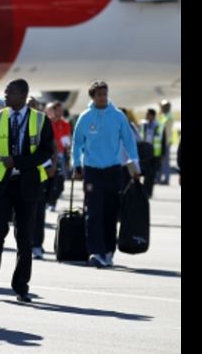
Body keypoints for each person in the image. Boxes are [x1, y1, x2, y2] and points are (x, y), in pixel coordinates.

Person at [0, 79, 53, 303]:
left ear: (23, 95)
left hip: (28, 186)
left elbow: (46, 152)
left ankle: (21, 286)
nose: (5, 96)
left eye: (9, 93)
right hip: (1, 184)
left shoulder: (41, 120)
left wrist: (18, 161)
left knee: (24, 238)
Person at [72, 80, 141, 268]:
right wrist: (76, 164)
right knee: (93, 213)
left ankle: (109, 250)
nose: (102, 97)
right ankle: (96, 251)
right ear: (92, 97)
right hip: (92, 171)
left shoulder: (118, 116)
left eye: (105, 94)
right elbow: (77, 143)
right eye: (99, 94)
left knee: (110, 212)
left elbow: (129, 140)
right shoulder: (85, 117)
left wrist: (135, 163)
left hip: (113, 170)